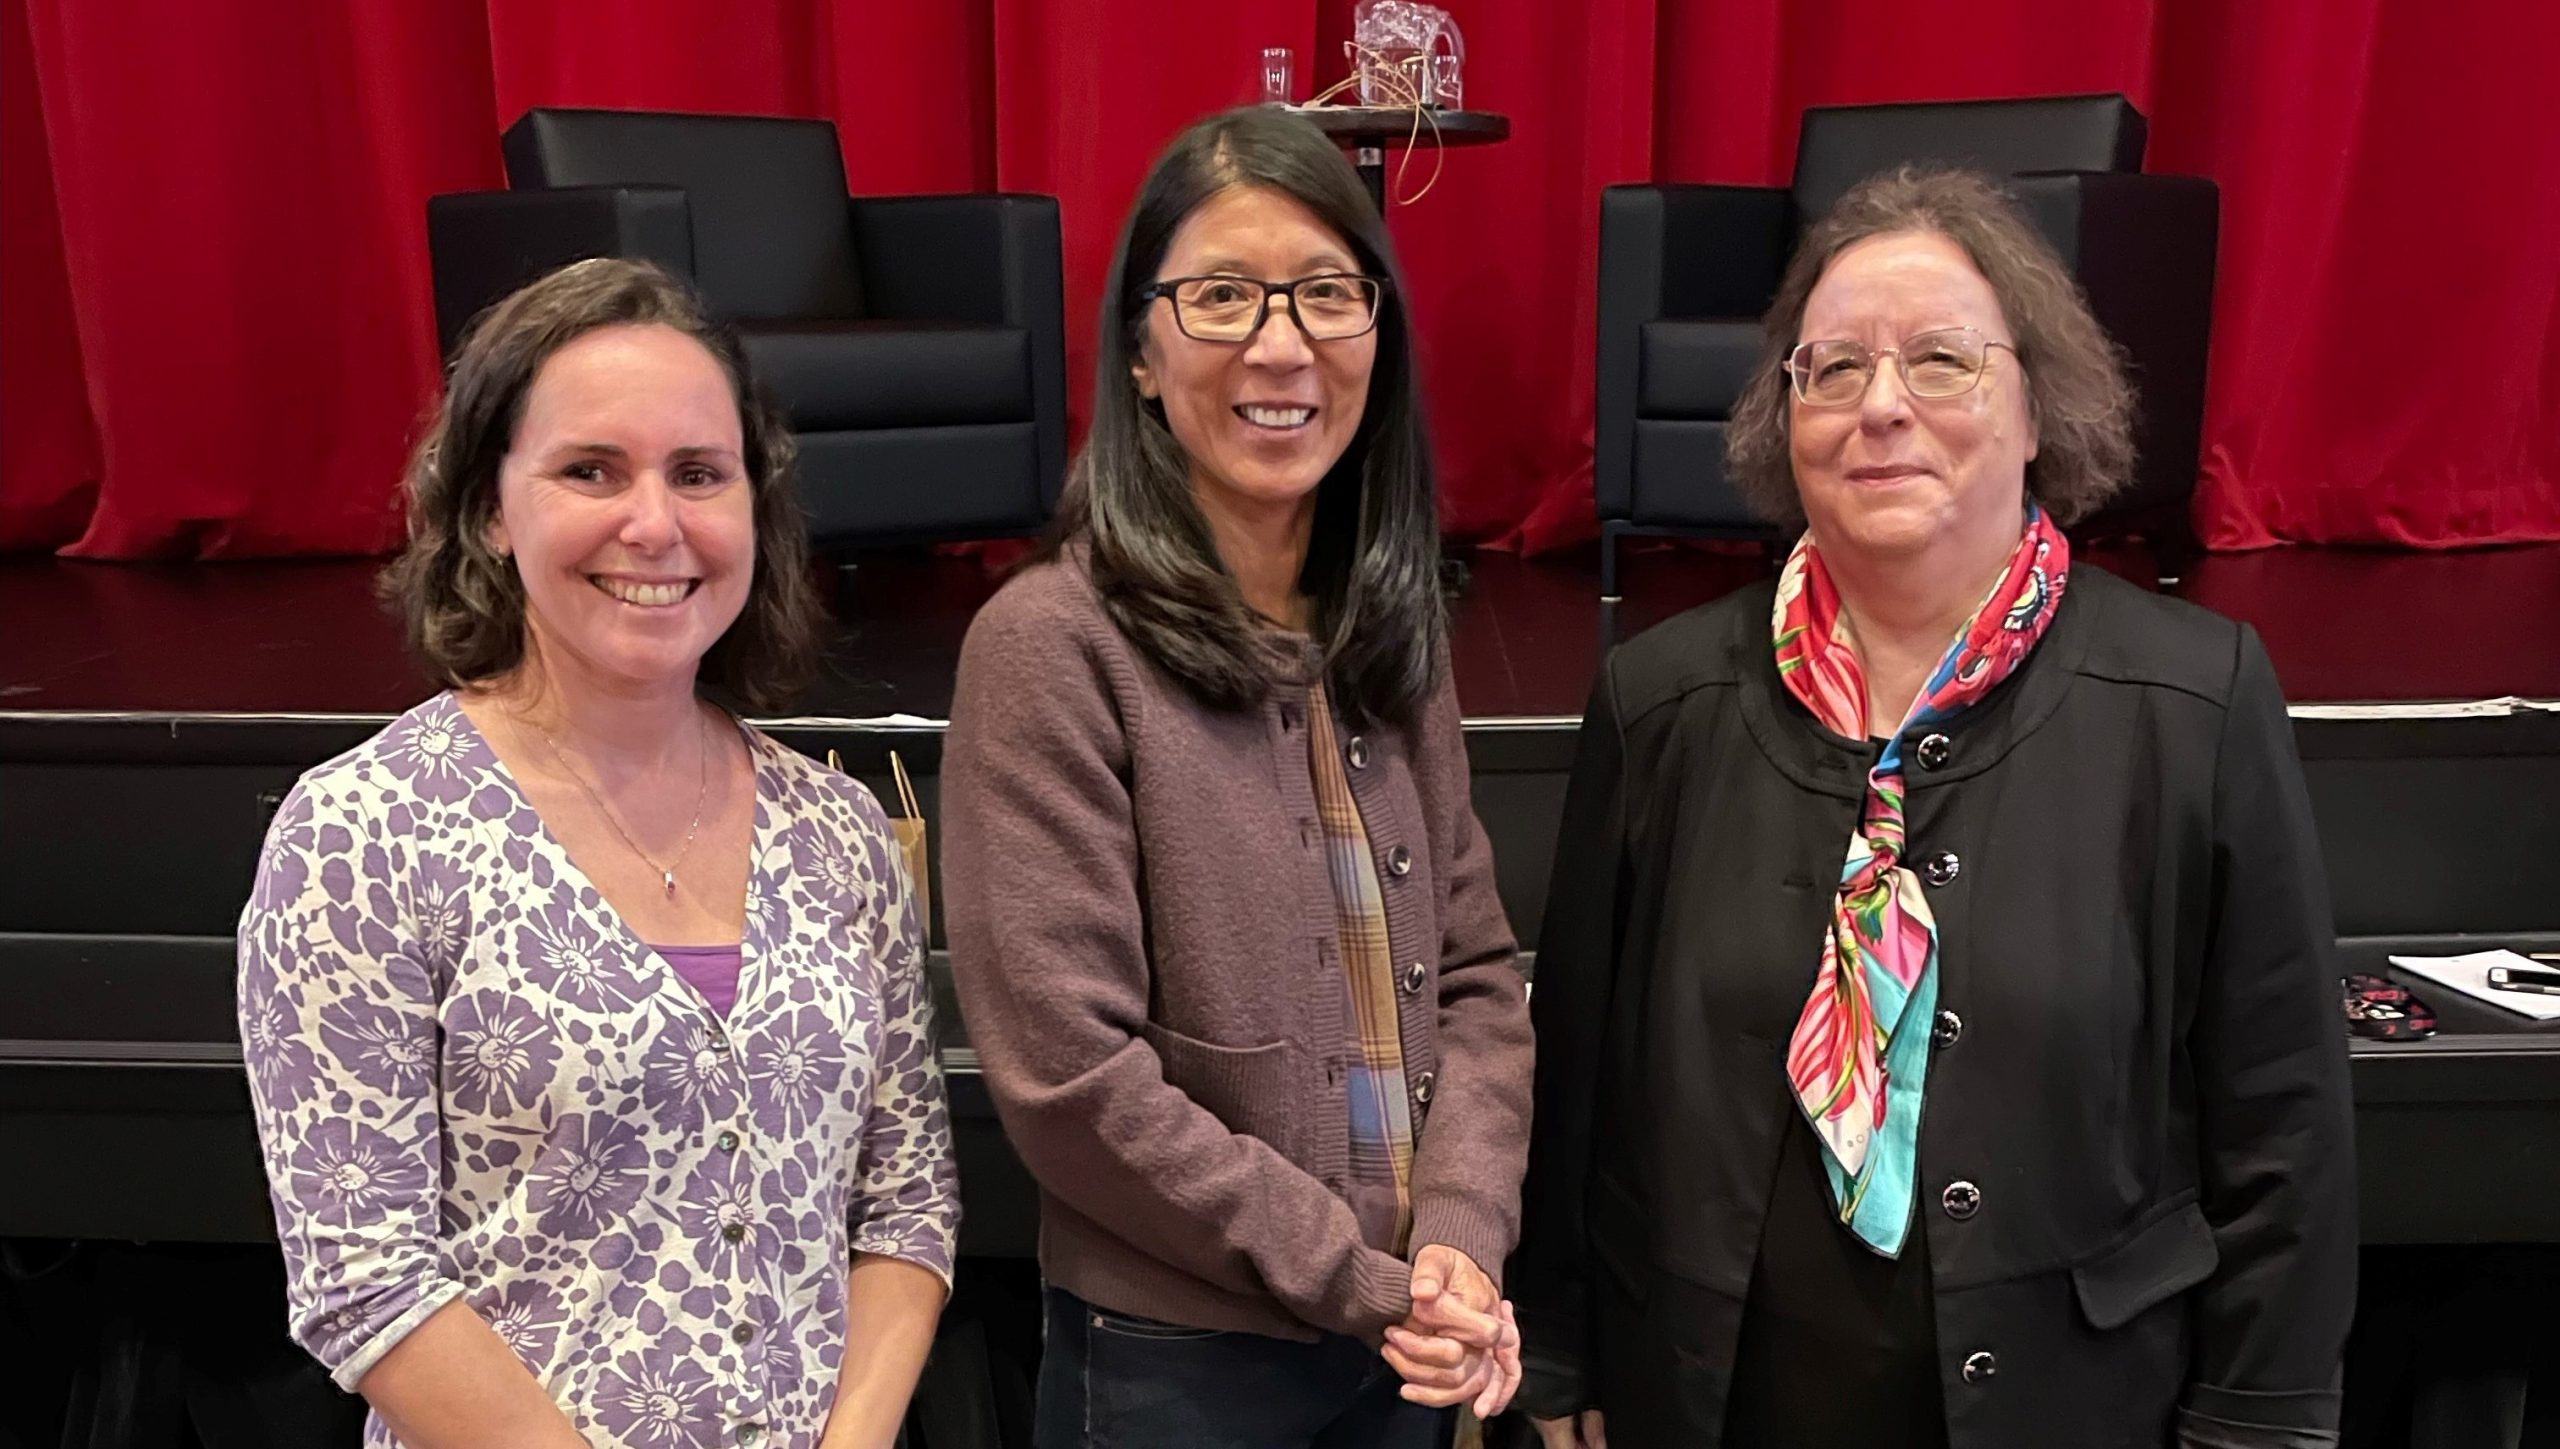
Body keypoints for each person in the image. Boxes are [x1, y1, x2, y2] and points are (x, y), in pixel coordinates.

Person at [1511, 168, 2357, 1449]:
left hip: (2073, 1403)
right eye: (1833, 368)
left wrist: (2261, 1422)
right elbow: (1580, 1079)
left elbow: (2282, 1117)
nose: (1881, 407)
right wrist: (1563, 1358)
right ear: (1781, 417)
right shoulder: (1658, 701)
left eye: (1942, 361)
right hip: (1715, 1397)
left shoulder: (2190, 700)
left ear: (2036, 409)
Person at [236, 258, 959, 1449]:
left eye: (698, 475)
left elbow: (906, 1207)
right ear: (487, 509)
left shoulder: (837, 835)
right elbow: (366, 1280)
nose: (655, 524)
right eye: (590, 471)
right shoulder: (360, 834)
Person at [941, 106, 1531, 1448]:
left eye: (1328, 294)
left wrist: (1459, 1239)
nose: (1281, 345)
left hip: (1413, 1340)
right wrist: (1360, 1280)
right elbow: (1070, 1077)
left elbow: (1484, 977)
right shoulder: (1052, 644)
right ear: (1141, 355)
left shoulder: (1393, 631)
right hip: (1183, 1368)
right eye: (1221, 297)